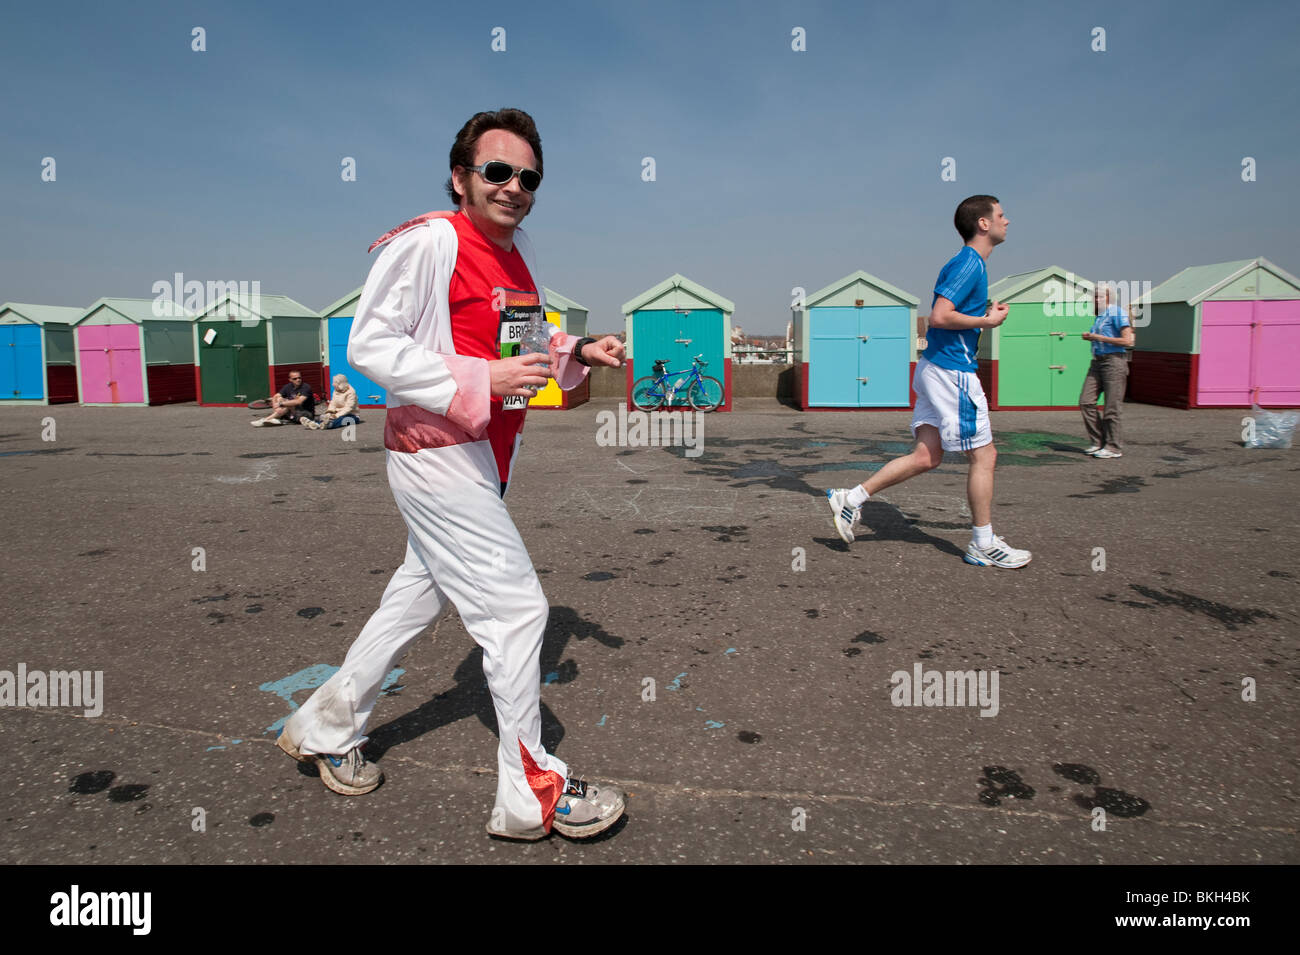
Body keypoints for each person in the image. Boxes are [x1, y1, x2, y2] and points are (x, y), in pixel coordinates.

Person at [275, 108, 629, 841]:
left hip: (484, 457)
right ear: (461, 176)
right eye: (496, 171)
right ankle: (532, 791)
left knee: (411, 603)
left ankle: (326, 728)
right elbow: (370, 344)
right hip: (436, 453)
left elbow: (523, 348)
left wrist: (578, 350)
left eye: (528, 176)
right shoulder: (432, 241)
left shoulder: (516, 254)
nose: (514, 187)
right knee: (518, 611)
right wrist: (480, 376)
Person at [826, 195, 1031, 569]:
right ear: (983, 223)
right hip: (953, 371)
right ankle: (982, 543)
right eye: (1001, 215)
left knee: (927, 456)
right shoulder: (970, 263)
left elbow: (952, 314)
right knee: (985, 455)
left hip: (934, 367)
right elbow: (939, 316)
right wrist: (987, 322)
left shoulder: (969, 265)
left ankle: (851, 498)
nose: (1007, 220)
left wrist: (982, 313)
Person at [1079, 284, 1134, 458]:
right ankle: (1098, 441)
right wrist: (1091, 337)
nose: (1096, 299)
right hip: (1097, 362)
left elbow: (1128, 341)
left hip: (1114, 361)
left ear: (1108, 297)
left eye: (1100, 296)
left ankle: (1113, 447)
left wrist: (1098, 337)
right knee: (1086, 402)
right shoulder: (1099, 316)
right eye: (1095, 296)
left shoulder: (1117, 313)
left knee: (1111, 407)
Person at [251, 371, 315, 426]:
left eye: (299, 378)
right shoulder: (288, 386)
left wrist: (281, 404)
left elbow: (299, 401)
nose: (298, 380)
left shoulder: (306, 387)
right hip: (292, 412)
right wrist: (275, 408)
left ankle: (266, 419)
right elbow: (275, 396)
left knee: (287, 404)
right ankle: (276, 418)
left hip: (305, 414)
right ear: (290, 380)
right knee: (279, 398)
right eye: (295, 378)